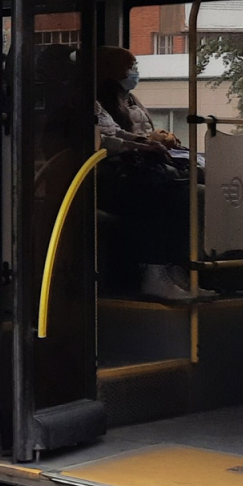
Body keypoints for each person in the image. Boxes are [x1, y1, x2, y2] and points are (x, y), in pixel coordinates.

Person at [94, 46, 190, 299]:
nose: (134, 72)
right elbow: (102, 141)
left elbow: (115, 131)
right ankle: (154, 273)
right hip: (105, 172)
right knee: (160, 192)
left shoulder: (100, 104)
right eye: (130, 66)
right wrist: (141, 145)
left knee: (182, 189)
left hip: (127, 163)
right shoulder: (89, 101)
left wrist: (146, 142)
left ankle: (173, 268)